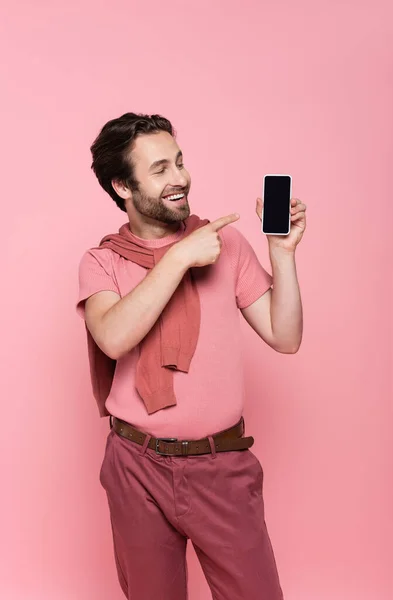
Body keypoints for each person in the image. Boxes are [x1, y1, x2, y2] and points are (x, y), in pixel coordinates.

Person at [76, 112, 306, 600]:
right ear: (123, 185)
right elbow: (113, 337)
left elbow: (285, 337)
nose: (180, 178)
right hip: (135, 464)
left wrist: (281, 254)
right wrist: (178, 257)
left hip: (220, 464)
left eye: (179, 162)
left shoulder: (226, 245)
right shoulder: (102, 261)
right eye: (160, 169)